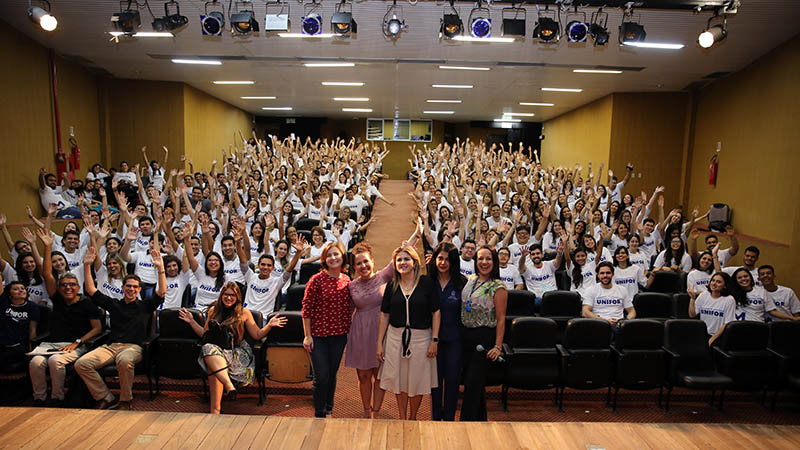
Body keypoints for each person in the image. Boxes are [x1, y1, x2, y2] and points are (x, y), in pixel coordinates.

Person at [346, 220, 421, 419]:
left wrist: (417, 234)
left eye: (366, 261)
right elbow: (346, 310)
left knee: (379, 376)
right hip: (360, 333)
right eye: (359, 263)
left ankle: (376, 412)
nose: (363, 266)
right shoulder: (351, 286)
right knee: (363, 376)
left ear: (372, 260)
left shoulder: (383, 276)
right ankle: (365, 410)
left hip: (380, 331)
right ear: (354, 266)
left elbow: (401, 253)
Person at [75, 246, 166, 410]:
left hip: (133, 348)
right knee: (82, 364)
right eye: (128, 286)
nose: (131, 289)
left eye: (135, 287)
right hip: (111, 347)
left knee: (123, 360)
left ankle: (125, 400)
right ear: (123, 288)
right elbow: (90, 290)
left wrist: (161, 269)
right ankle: (105, 396)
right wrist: (87, 265)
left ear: (139, 290)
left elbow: (161, 292)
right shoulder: (114, 304)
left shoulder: (145, 306)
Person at [179, 282, 287, 414]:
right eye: (226, 294)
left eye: (232, 295)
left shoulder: (244, 312)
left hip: (237, 353)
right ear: (221, 295)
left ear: (237, 298)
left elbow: (257, 335)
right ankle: (227, 389)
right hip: (216, 350)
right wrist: (192, 321)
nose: (229, 298)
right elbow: (205, 334)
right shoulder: (213, 311)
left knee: (213, 366)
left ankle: (215, 409)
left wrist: (269, 325)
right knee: (209, 350)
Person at [30, 228, 103, 407]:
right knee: (35, 362)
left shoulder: (87, 303)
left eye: (72, 284)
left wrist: (78, 342)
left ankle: (57, 398)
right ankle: (39, 398)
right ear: (59, 287)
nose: (68, 288)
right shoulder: (58, 299)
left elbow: (98, 328)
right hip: (52, 345)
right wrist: (47, 247)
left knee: (55, 362)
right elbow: (47, 274)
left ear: (78, 287)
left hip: (75, 346)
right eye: (64, 285)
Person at [376, 244, 440, 420]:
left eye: (406, 259)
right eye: (399, 260)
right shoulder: (392, 285)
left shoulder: (426, 283)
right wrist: (379, 343)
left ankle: (413, 417)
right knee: (400, 380)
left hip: (421, 338)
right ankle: (402, 416)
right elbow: (384, 315)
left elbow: (436, 312)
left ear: (414, 262)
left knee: (417, 380)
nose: (402, 262)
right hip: (395, 338)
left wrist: (434, 340)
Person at [302, 241, 351, 418]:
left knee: (332, 374)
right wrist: (307, 336)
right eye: (329, 255)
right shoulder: (316, 280)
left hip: (339, 336)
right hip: (318, 336)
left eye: (336, 254)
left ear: (342, 256)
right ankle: (319, 411)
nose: (333, 258)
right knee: (321, 376)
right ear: (324, 259)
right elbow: (306, 309)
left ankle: (329, 407)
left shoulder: (347, 279)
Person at [460, 246, 507, 421]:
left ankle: (466, 424)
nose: (484, 262)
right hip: (466, 337)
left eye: (488, 259)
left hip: (484, 339)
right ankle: (480, 422)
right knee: (475, 384)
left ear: (494, 262)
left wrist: (497, 346)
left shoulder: (498, 286)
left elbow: (501, 319)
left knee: (472, 384)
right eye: (480, 258)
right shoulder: (471, 279)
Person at [427, 242, 467, 421]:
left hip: (455, 340)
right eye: (440, 258)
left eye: (447, 259)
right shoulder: (428, 282)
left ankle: (449, 419)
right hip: (432, 340)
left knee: (452, 382)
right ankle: (435, 418)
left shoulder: (462, 282)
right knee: (434, 383)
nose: (443, 262)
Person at [236, 221, 305, 315]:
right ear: (258, 265)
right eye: (263, 264)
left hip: (262, 318)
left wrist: (298, 253)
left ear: (273, 268)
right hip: (245, 314)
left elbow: (289, 269)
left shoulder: (277, 282)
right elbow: (243, 261)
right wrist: (238, 243)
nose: (265, 267)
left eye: (269, 265)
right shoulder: (250, 276)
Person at [688, 272, 739, 345]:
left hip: (718, 336)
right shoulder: (704, 295)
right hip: (702, 334)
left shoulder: (729, 300)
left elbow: (726, 324)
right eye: (713, 280)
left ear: (725, 286)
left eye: (718, 282)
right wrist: (692, 299)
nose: (714, 283)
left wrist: (712, 339)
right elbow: (692, 315)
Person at [581, 262, 636, 326]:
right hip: (599, 324)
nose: (605, 276)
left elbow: (632, 311)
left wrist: (625, 321)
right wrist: (604, 321)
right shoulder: (591, 290)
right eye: (602, 273)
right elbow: (585, 312)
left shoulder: (622, 290)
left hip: (619, 325)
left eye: (608, 273)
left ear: (612, 274)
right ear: (598, 275)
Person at [0, 281, 39, 370]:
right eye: (15, 289)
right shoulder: (4, 304)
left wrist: (31, 349)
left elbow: (32, 330)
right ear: (9, 294)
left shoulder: (32, 307)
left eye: (22, 288)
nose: (21, 291)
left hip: (19, 346)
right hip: (3, 344)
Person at [519, 243, 563, 309]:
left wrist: (559, 254)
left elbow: (557, 261)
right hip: (536, 299)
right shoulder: (527, 269)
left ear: (542, 255)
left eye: (538, 253)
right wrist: (523, 257)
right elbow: (521, 266)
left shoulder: (549, 265)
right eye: (533, 254)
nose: (536, 256)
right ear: (530, 257)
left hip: (552, 295)